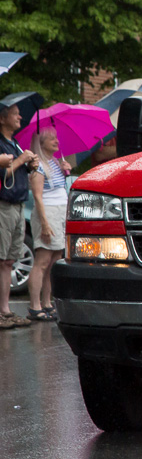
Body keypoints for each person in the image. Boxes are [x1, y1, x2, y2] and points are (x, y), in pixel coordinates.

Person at [26, 128, 70, 321]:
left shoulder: (54, 163)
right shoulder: (38, 165)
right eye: (51, 138)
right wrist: (44, 223)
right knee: (42, 261)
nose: (56, 140)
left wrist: (64, 172)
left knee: (54, 261)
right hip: (48, 214)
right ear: (40, 142)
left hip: (60, 213)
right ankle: (35, 305)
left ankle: (47, 302)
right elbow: (37, 195)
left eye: (56, 137)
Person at [0, 102, 37, 328]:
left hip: (18, 206)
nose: (19, 117)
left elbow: (14, 168)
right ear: (2, 118)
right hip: (3, 205)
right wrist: (20, 160)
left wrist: (29, 165)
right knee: (0, 259)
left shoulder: (14, 144)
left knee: (9, 261)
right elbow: (4, 172)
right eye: (15, 114)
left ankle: (5, 310)